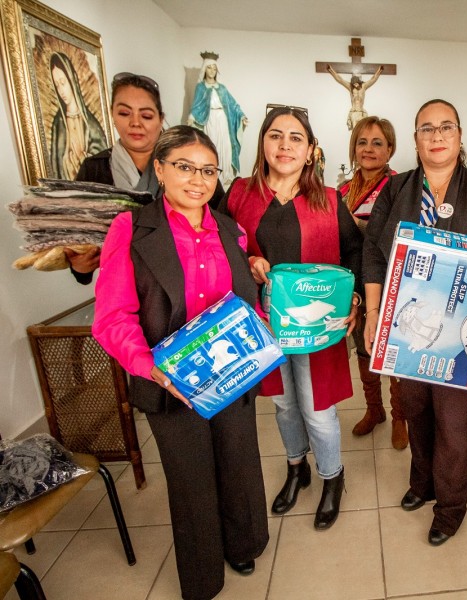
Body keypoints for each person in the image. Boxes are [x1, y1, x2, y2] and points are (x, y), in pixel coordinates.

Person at [92, 126, 269, 600]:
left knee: (238, 461)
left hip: (231, 373)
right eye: (185, 167)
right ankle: (203, 573)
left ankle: (243, 545)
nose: (198, 179)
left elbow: (246, 300)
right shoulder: (131, 230)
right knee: (191, 479)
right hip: (170, 382)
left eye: (208, 170)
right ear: (160, 168)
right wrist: (151, 367)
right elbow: (112, 317)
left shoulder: (229, 228)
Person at [362, 99, 467, 546]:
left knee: (453, 420)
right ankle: (423, 482)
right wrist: (373, 314)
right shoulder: (397, 191)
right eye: (426, 128)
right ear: (414, 139)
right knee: (415, 408)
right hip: (406, 327)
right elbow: (373, 251)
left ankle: (450, 507)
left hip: (461, 334)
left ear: (459, 134)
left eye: (445, 127)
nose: (436, 135)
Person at [220, 107, 362, 530]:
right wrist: (247, 260)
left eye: (296, 138)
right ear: (262, 143)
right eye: (276, 136)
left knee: (317, 408)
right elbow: (221, 245)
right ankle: (296, 467)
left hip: (316, 324)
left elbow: (354, 252)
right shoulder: (239, 194)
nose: (285, 145)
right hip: (262, 322)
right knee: (283, 405)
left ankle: (332, 478)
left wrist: (354, 297)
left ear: (310, 150)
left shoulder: (330, 199)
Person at [71, 72, 225, 285]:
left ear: (161, 119)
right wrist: (79, 267)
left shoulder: (194, 168)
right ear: (112, 115)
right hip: (123, 283)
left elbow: (221, 228)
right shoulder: (94, 169)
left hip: (190, 282)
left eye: (146, 116)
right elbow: (79, 241)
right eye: (124, 113)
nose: (135, 123)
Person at [338, 116, 407, 449]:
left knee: (391, 351)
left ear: (390, 148)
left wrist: (356, 227)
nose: (368, 149)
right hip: (353, 283)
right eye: (362, 142)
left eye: (377, 142)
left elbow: (398, 238)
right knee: (365, 349)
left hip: (388, 282)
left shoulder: (400, 187)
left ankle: (399, 417)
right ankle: (374, 410)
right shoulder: (342, 189)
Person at [189, 52, 247, 186]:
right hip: (210, 120)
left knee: (225, 147)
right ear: (204, 69)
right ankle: (213, 174)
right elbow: (197, 105)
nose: (212, 71)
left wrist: (241, 116)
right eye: (209, 68)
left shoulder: (222, 89)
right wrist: (192, 117)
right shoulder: (201, 87)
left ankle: (225, 174)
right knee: (212, 146)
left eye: (214, 68)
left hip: (223, 120)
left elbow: (233, 105)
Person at [49, 52, 106, 180]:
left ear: (72, 79)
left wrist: (86, 160)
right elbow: (55, 167)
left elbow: (104, 159)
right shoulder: (58, 124)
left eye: (63, 83)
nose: (61, 91)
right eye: (57, 85)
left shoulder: (90, 123)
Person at [326, 64, 383, 130]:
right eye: (354, 84)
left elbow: (373, 79)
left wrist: (379, 70)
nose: (355, 85)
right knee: (355, 131)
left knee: (364, 130)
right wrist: (331, 70)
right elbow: (340, 79)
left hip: (362, 112)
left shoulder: (364, 86)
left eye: (356, 83)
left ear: (359, 82)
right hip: (354, 111)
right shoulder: (350, 87)